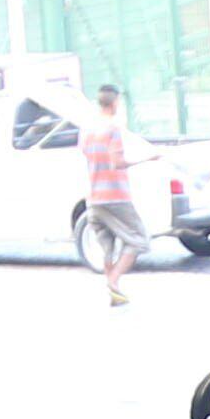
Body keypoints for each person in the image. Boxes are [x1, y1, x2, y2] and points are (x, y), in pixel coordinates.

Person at [78, 82, 144, 306]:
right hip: (116, 197)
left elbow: (89, 156)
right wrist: (146, 158)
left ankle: (114, 295)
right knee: (138, 240)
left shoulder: (86, 130)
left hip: (94, 199)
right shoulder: (112, 130)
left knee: (107, 246)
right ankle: (114, 282)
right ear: (115, 102)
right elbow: (117, 162)